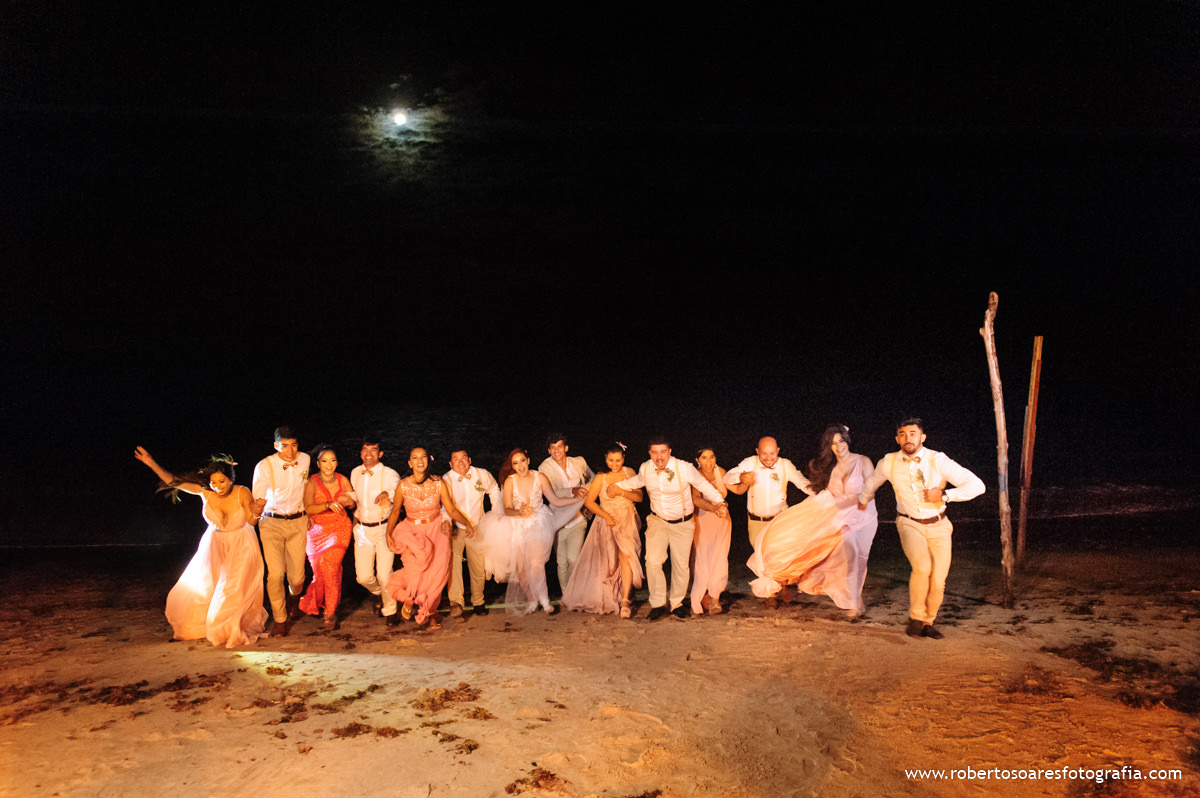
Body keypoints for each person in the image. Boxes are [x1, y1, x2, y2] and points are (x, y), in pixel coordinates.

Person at [857, 418, 985, 639]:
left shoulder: (938, 460)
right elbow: (872, 482)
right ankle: (916, 618)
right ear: (897, 438)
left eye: (913, 433)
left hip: (939, 525)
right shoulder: (889, 462)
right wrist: (863, 499)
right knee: (922, 567)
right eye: (903, 433)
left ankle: (928, 622)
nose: (908, 438)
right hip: (909, 523)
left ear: (922, 437)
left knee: (938, 579)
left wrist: (946, 495)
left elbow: (977, 486)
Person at [133, 447, 268, 648]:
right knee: (200, 588)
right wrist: (151, 462)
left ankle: (225, 627)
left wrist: (257, 511)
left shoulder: (242, 492)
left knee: (230, 589)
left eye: (222, 482)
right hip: (213, 545)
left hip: (241, 545)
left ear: (231, 479)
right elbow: (173, 481)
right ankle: (194, 628)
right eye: (213, 482)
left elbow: (252, 520)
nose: (218, 487)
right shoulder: (205, 493)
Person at [746, 425, 878, 617]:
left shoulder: (863, 462)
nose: (838, 446)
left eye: (841, 441)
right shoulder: (834, 468)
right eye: (833, 443)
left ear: (847, 441)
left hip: (861, 516)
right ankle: (854, 603)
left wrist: (849, 503)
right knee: (836, 559)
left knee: (856, 560)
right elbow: (828, 493)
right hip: (839, 518)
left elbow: (870, 491)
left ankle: (856, 603)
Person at [612, 436, 728, 620]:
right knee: (652, 561)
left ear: (669, 452)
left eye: (663, 452)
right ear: (649, 453)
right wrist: (616, 486)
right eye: (654, 452)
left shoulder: (684, 468)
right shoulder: (646, 468)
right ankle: (658, 603)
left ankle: (677, 603)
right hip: (657, 521)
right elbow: (635, 482)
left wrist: (720, 502)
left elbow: (703, 485)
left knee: (680, 565)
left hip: (682, 523)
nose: (659, 457)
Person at [479, 448, 584, 616]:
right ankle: (532, 600)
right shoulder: (510, 481)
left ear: (528, 460)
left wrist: (577, 500)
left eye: (522, 461)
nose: (520, 466)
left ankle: (545, 601)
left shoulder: (539, 477)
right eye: (515, 463)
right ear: (512, 466)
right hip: (517, 526)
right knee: (521, 568)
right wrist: (520, 512)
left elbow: (555, 500)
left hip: (539, 523)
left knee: (536, 564)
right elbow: (507, 509)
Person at [385, 447, 474, 630]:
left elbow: (450, 509)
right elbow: (395, 511)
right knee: (415, 571)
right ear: (410, 463)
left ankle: (431, 613)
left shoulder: (439, 483)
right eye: (415, 458)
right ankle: (409, 599)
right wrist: (388, 533)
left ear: (428, 461)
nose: (420, 461)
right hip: (412, 532)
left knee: (437, 575)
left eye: (423, 457)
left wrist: (467, 523)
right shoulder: (403, 486)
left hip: (436, 531)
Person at [561, 443, 644, 618]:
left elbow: (639, 496)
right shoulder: (601, 478)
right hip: (607, 521)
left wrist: (622, 492)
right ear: (606, 459)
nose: (615, 464)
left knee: (626, 556)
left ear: (624, 458)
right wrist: (606, 516)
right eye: (611, 460)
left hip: (627, 519)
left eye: (618, 460)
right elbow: (589, 502)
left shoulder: (629, 473)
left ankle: (625, 601)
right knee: (609, 563)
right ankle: (610, 596)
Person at [252, 426, 311, 636]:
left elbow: (308, 486)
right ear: (276, 445)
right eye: (285, 446)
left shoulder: (305, 459)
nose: (290, 451)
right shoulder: (264, 466)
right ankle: (280, 618)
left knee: (297, 578)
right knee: (275, 574)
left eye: (294, 445)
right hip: (271, 524)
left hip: (298, 522)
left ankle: (294, 600)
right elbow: (257, 500)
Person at [298, 446, 356, 630]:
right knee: (319, 572)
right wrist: (328, 504)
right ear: (318, 464)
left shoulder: (343, 479)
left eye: (332, 460)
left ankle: (330, 613)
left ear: (337, 462)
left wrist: (348, 501)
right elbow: (308, 508)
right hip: (316, 531)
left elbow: (353, 503)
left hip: (339, 528)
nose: (329, 464)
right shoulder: (311, 482)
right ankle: (312, 601)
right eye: (324, 461)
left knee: (331, 567)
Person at [443, 448, 502, 621]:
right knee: (453, 565)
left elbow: (494, 489)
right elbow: (444, 505)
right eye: (456, 459)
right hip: (456, 528)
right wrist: (446, 521)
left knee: (478, 566)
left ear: (469, 459)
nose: (460, 463)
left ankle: (478, 601)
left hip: (478, 526)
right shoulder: (446, 480)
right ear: (450, 463)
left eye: (463, 458)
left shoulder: (481, 474)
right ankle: (456, 602)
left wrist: (496, 512)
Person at [725, 436, 814, 548]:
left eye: (772, 453)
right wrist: (740, 476)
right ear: (757, 451)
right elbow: (726, 478)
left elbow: (804, 484)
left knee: (780, 556)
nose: (768, 458)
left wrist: (824, 494)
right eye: (764, 454)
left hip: (780, 520)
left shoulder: (785, 465)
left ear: (778, 451)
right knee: (760, 559)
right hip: (756, 522)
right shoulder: (750, 463)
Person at [350, 435, 401, 626]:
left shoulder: (389, 473)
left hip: (383, 529)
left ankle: (390, 611)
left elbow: (396, 491)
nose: (369, 454)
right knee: (363, 576)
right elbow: (354, 495)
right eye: (365, 449)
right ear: (361, 452)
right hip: (362, 529)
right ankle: (377, 592)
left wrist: (387, 494)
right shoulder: (355, 472)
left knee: (384, 574)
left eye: (373, 450)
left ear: (380, 453)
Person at [538, 434, 593, 593]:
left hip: (578, 517)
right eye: (553, 448)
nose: (556, 451)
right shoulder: (544, 468)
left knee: (574, 559)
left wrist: (586, 490)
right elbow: (553, 492)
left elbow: (593, 477)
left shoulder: (579, 462)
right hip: (557, 519)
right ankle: (566, 594)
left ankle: (576, 593)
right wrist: (573, 491)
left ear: (566, 448)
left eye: (559, 447)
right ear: (549, 450)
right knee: (562, 561)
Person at [690, 447, 731, 616]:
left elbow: (737, 489)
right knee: (702, 559)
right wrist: (715, 508)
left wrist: (745, 480)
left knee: (720, 558)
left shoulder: (721, 472)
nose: (709, 461)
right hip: (703, 520)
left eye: (712, 457)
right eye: (704, 458)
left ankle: (715, 598)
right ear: (697, 460)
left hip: (722, 521)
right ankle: (700, 594)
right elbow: (695, 498)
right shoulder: (695, 475)